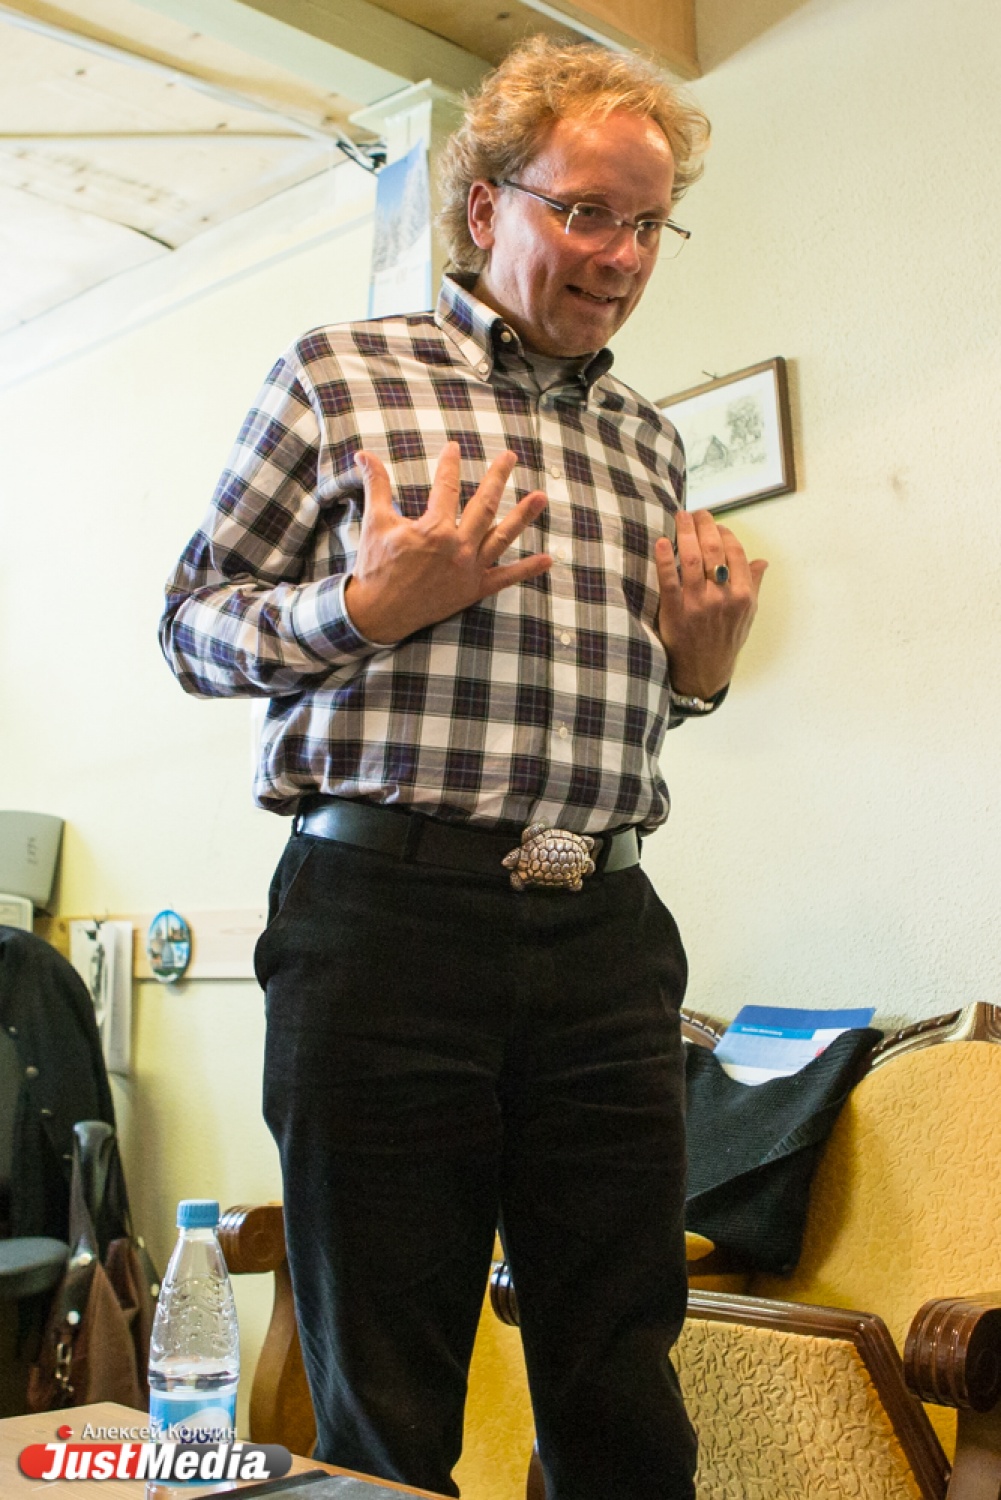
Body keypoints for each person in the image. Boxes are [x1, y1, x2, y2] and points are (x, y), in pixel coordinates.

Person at [160, 34, 766, 1500]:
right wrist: (361, 609)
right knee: (388, 1396)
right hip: (385, 930)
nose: (621, 255)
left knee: (621, 1385)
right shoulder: (338, 375)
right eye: (585, 210)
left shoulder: (648, 443)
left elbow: (619, 703)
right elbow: (188, 627)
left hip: (606, 936)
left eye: (648, 223)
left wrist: (696, 675)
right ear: (486, 204)